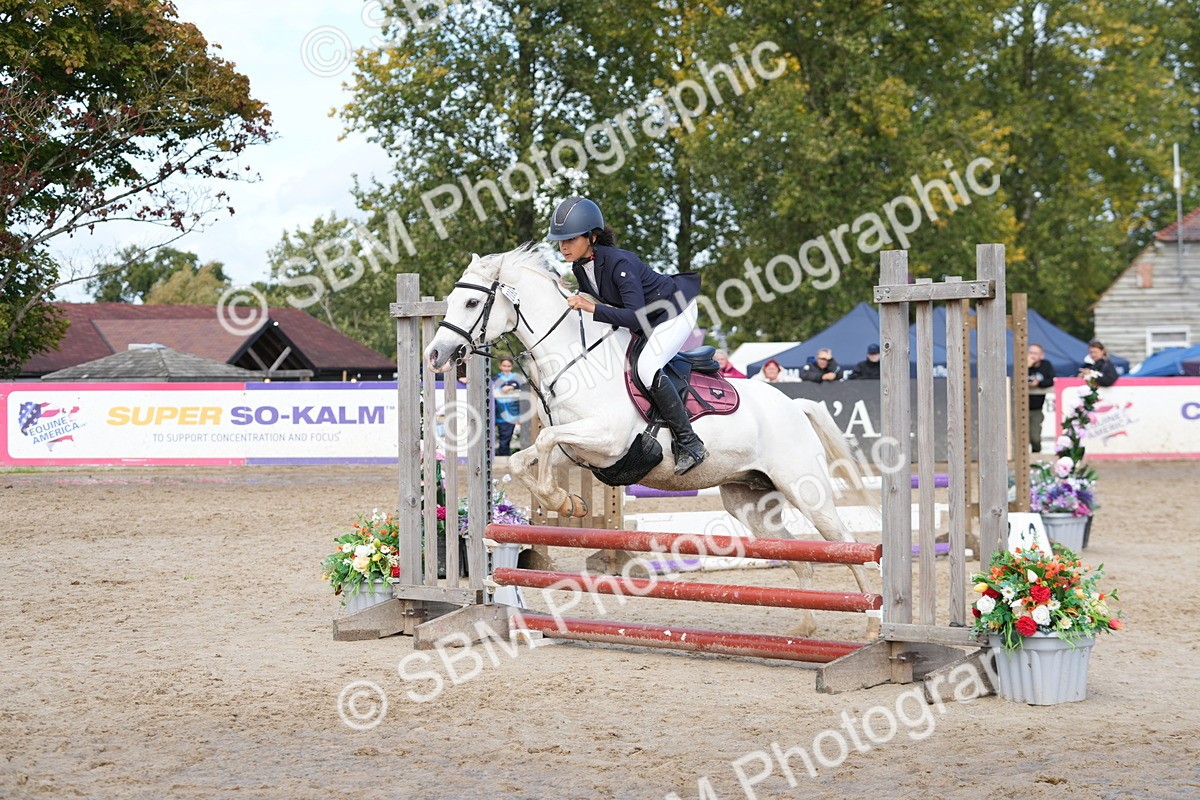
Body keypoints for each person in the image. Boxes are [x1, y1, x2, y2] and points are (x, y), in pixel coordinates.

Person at [548, 196, 706, 475]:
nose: (563, 246)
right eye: (560, 241)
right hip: (647, 318)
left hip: (674, 311)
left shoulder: (620, 262)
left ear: (591, 237)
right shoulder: (579, 267)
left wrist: (590, 307)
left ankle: (690, 443)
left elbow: (632, 315)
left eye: (570, 239)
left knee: (645, 368)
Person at [491, 357, 524, 456]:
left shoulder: (516, 377)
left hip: (511, 414)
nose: (506, 368)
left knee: (506, 438)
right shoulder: (495, 378)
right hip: (498, 412)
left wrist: (511, 386)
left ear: (512, 366)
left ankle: (505, 458)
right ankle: (497, 457)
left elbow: (520, 384)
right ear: (500, 366)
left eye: (508, 366)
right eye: (504, 366)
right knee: (494, 437)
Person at [1027, 343, 1055, 452]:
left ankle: (1036, 454)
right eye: (1030, 352)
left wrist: (1038, 383)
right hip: (1020, 407)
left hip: (1036, 408)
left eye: (1035, 353)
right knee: (1021, 436)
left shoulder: (1046, 365)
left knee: (1035, 437)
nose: (1032, 355)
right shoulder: (1022, 364)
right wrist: (1027, 367)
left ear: (1041, 355)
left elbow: (1052, 380)